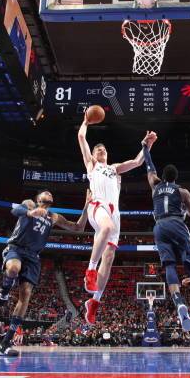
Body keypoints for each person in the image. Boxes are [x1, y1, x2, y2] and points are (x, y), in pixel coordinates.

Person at [0, 189, 91, 356]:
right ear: (38, 198)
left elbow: (78, 228)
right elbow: (15, 211)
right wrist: (30, 212)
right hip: (16, 248)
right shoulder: (29, 204)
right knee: (13, 268)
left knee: (25, 295)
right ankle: (4, 291)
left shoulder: (53, 217)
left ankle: (5, 343)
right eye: (45, 192)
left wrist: (86, 207)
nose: (49, 194)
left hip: (33, 257)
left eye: (51, 194)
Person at [141, 132, 190, 332]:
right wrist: (184, 208)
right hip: (177, 224)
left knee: (169, 266)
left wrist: (145, 146)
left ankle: (179, 303)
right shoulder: (183, 192)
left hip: (159, 227)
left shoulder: (154, 186)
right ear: (176, 178)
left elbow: (149, 167)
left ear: (163, 177)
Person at [78, 117, 153, 324]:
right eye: (97, 149)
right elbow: (81, 136)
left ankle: (94, 302)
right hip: (97, 206)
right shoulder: (92, 165)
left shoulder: (114, 168)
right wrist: (86, 121)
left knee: (109, 259)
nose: (101, 150)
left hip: (114, 212)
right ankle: (91, 269)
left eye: (103, 149)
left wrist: (146, 144)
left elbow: (138, 162)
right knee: (107, 227)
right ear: (92, 155)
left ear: (107, 154)